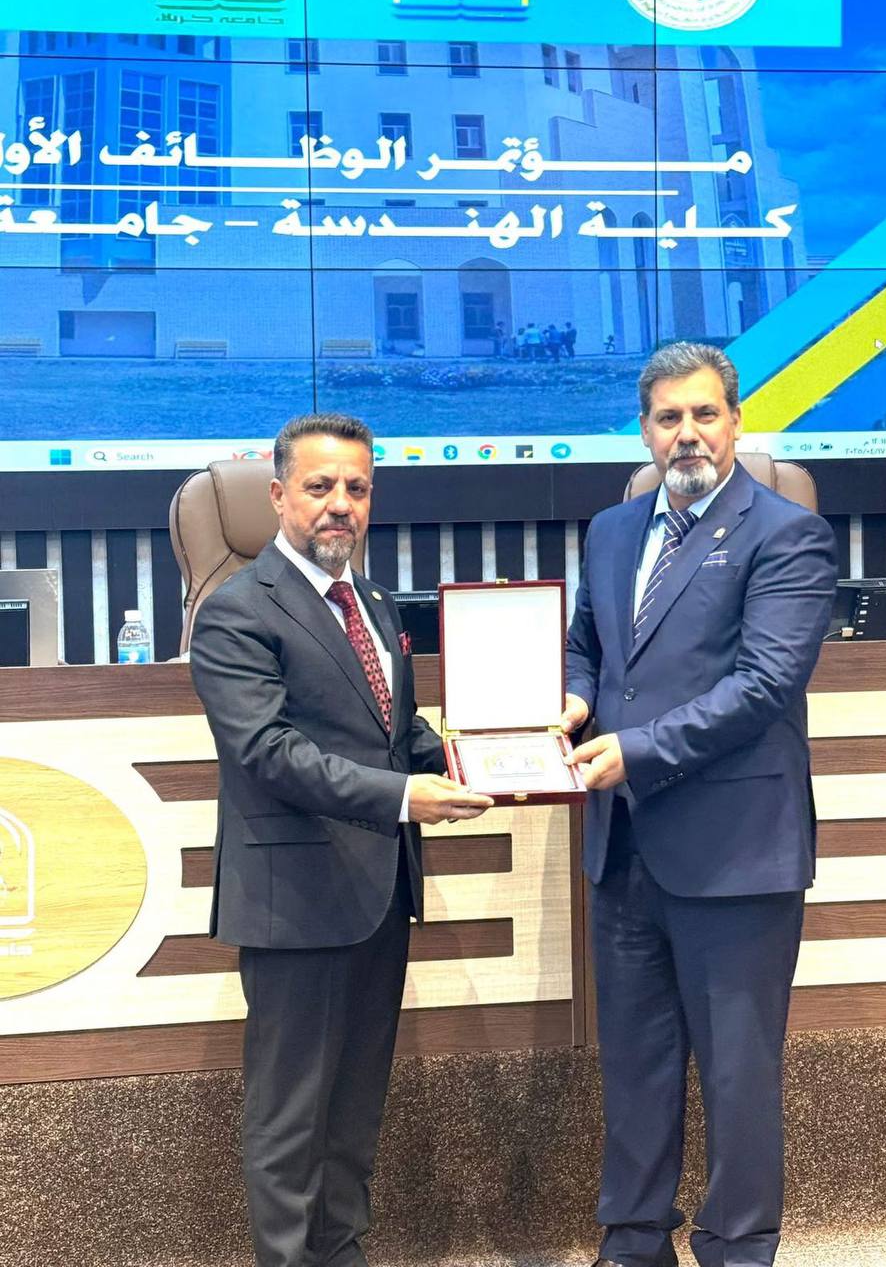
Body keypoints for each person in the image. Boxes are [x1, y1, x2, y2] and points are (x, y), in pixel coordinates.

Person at [190, 412, 493, 1267]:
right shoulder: (236, 612)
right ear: (277, 494)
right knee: (291, 1121)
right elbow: (269, 753)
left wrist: (486, 755)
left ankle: (342, 1253)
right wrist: (403, 796)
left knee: (355, 1111)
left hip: (379, 895)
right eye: (320, 486)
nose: (340, 505)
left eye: (356, 488)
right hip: (296, 903)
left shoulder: (376, 603)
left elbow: (395, 733)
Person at [562, 342, 838, 1267]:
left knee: (737, 1075)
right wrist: (573, 699)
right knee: (634, 1068)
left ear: (736, 422)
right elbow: (588, 648)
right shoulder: (611, 530)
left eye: (704, 414)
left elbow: (763, 686)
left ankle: (737, 1250)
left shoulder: (786, 534)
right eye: (668, 417)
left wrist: (633, 751)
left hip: (736, 852)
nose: (687, 434)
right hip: (624, 850)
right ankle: (634, 1241)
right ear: (645, 431)